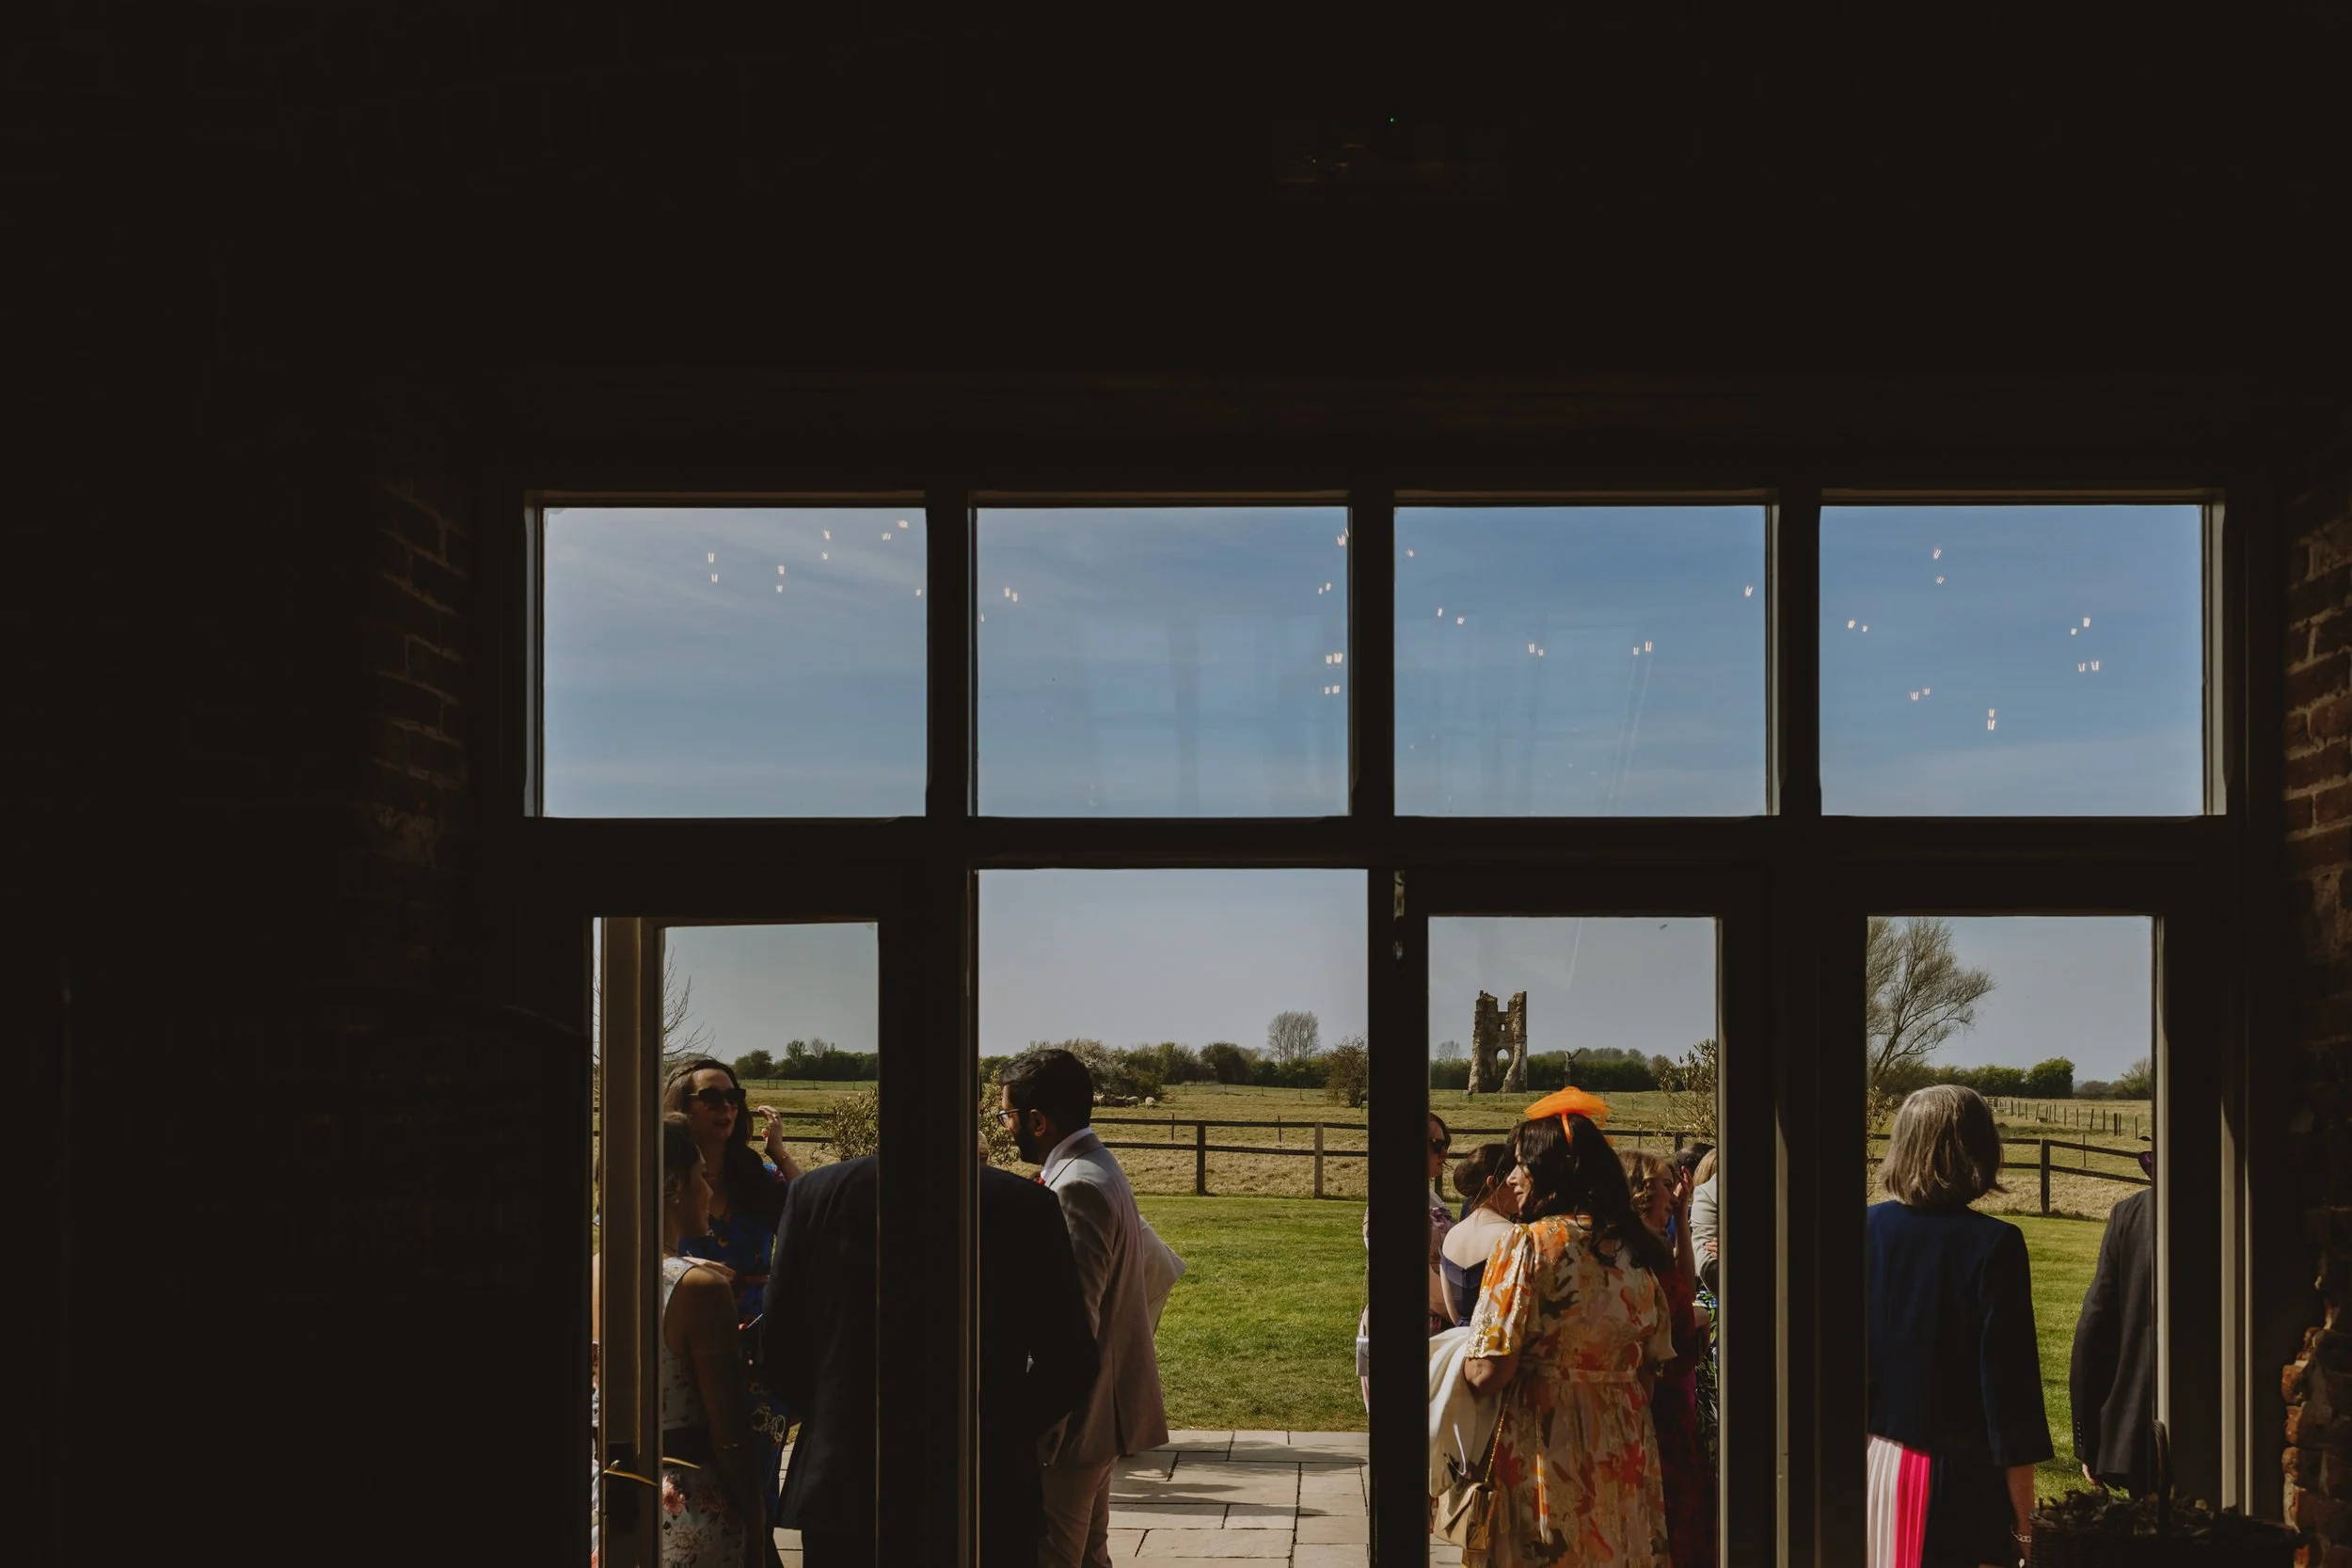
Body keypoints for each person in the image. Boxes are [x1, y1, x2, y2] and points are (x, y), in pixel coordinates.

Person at [758, 1151, 1100, 1568]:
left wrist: (831, 1410)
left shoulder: (814, 1193)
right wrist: (997, 1430)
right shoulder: (1021, 1202)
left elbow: (777, 1346)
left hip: (847, 1478)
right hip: (980, 1482)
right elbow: (1070, 1359)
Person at [1462, 1111, 1677, 1567]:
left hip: (1545, 1445)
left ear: (1552, 1172)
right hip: (1623, 1448)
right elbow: (1650, 1372)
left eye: (1523, 1165)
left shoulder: (1526, 1245)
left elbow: (1488, 1370)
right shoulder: (1634, 1251)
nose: (1514, 1178)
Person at [1865, 1085, 2051, 1568]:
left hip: (1870, 1468)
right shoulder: (1995, 1246)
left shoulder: (1861, 1231)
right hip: (1957, 1484)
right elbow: (2009, 1395)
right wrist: (2025, 1524)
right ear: (1981, 1150)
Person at [997, 1048, 1168, 1568]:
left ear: (1037, 1120)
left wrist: (1041, 1430)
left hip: (1072, 1430)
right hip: (1097, 1418)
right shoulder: (1096, 1166)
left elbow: (1074, 1321)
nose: (1005, 1129)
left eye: (1006, 1116)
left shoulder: (1075, 1187)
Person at [598, 1113, 765, 1568]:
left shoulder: (594, 1270)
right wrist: (756, 1519)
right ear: (673, 1187)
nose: (710, 1191)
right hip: (681, 1505)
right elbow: (729, 1433)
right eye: (702, 1177)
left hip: (604, 1500)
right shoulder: (697, 1289)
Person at [1625, 1149, 1715, 1568]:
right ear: (1642, 1188)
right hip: (1654, 1395)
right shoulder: (1631, 1251)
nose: (1672, 1191)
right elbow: (1673, 1318)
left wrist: (1680, 1222)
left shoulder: (1657, 1240)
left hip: (1675, 1390)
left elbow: (1684, 1282)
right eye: (1664, 1183)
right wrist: (1701, 1314)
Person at [667, 1058, 803, 1323]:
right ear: (681, 1107)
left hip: (760, 1334)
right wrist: (679, 1267)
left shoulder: (760, 1178)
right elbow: (619, 1254)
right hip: (683, 1327)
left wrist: (779, 1154)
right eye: (711, 1097)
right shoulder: (661, 1179)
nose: (726, 1106)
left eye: (733, 1097)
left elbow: (813, 1214)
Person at [2069, 1140, 2156, 1495]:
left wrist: (2091, 1441)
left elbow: (2095, 1328)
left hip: (2141, 1434)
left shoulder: (2131, 1214)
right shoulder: (2247, 1209)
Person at [1358, 1111, 1457, 1406]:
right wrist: (1461, 1315)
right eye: (1436, 1144)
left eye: (1446, 1143)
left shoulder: (1433, 1198)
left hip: (1440, 1325)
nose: (1445, 1152)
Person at [1439, 1143, 1518, 1326]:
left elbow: (1454, 1314)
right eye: (1513, 1181)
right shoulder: (1511, 1235)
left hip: (1460, 1345)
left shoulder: (1452, 1235)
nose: (1521, 1188)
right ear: (1493, 1183)